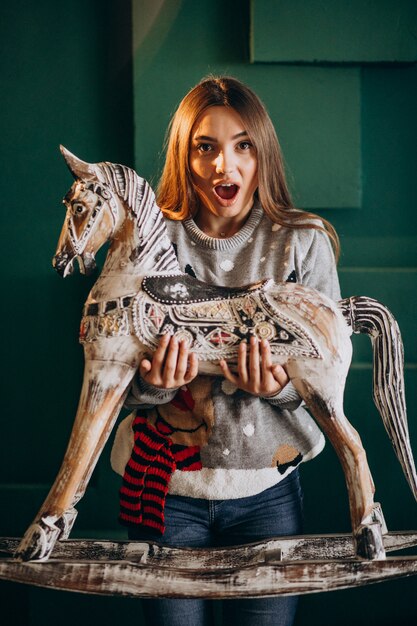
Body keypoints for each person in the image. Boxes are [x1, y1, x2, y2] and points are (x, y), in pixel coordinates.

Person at [110, 75, 341, 626]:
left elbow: (331, 381)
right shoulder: (144, 244)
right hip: (164, 491)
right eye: (205, 147)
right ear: (183, 156)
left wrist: (283, 387)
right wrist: (154, 384)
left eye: (243, 145)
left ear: (263, 152)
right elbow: (109, 375)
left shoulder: (303, 242)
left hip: (268, 496)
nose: (224, 166)